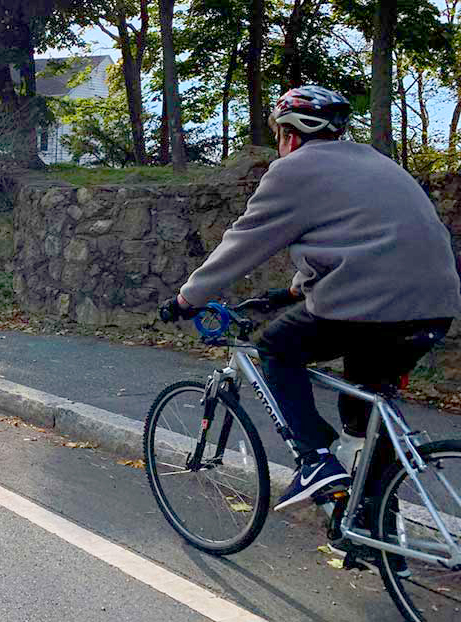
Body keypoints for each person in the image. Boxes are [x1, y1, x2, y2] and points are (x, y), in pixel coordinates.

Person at [160, 85, 461, 511]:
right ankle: (376, 530)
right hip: (435, 306)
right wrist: (288, 292)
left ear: (289, 134)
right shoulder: (376, 162)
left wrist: (187, 299)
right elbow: (362, 239)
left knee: (276, 348)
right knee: (364, 408)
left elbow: (242, 243)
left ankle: (315, 459)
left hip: (369, 307)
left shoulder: (293, 170)